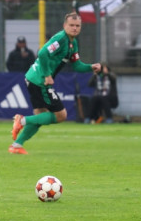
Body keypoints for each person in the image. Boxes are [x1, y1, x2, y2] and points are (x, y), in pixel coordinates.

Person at [9, 11, 102, 154]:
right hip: (40, 80)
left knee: (40, 116)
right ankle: (21, 121)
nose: (75, 28)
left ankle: (16, 145)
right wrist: (47, 75)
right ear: (65, 25)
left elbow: (76, 65)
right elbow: (42, 53)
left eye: (77, 25)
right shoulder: (61, 39)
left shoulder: (73, 43)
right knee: (61, 115)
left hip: (33, 78)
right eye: (71, 25)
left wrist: (90, 67)